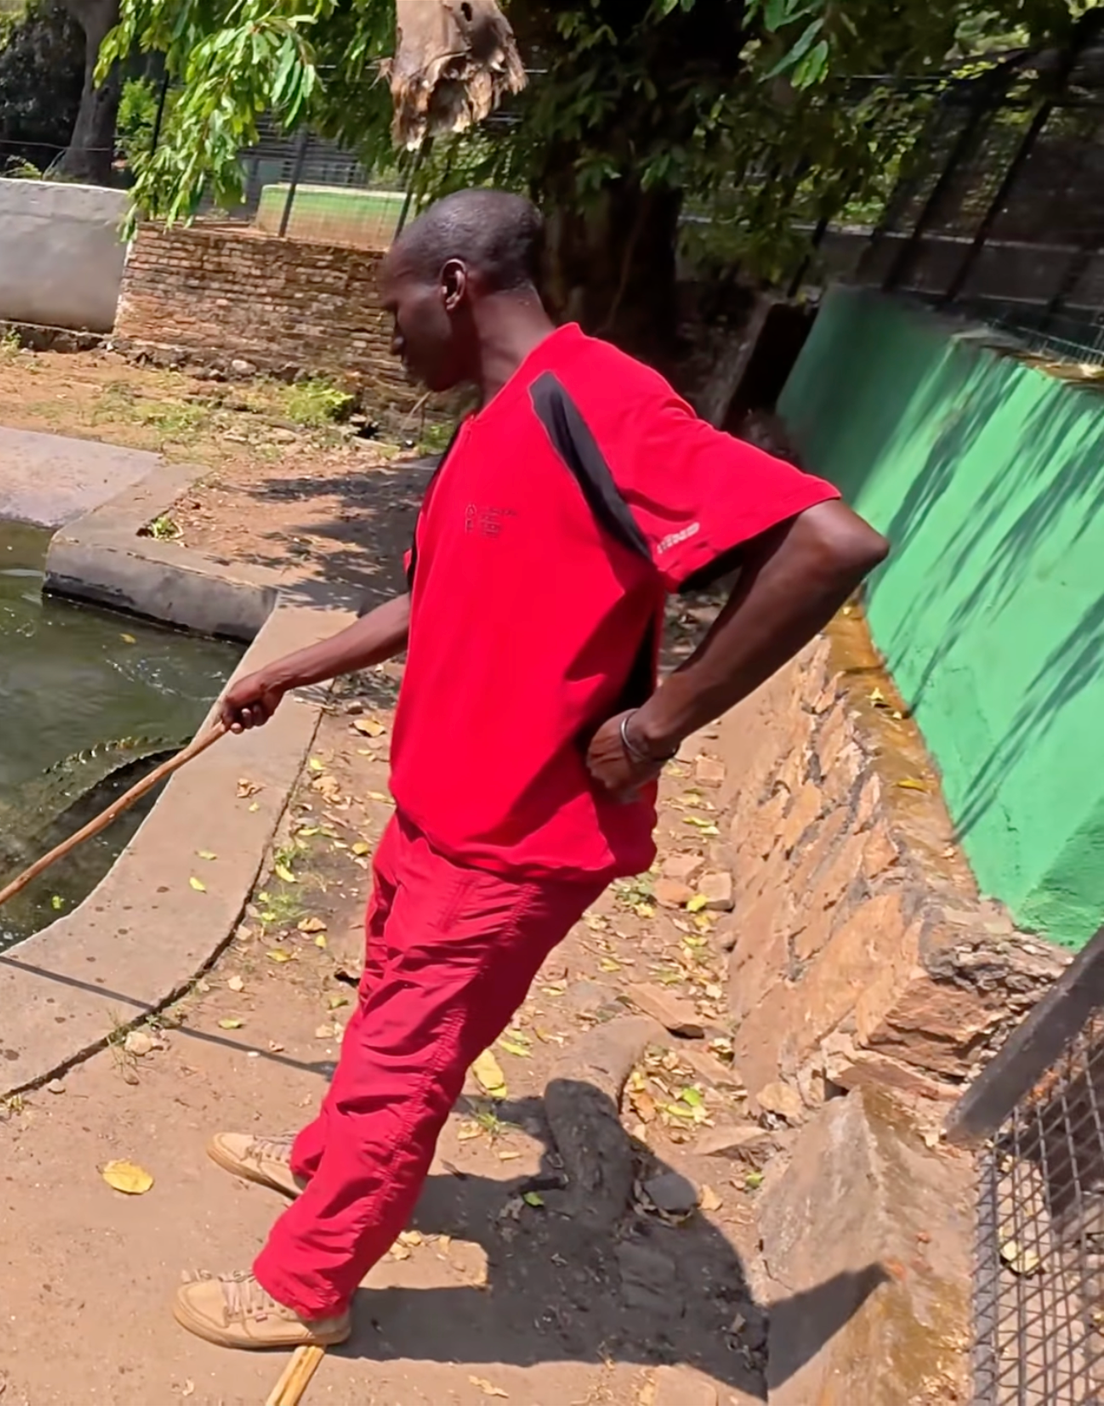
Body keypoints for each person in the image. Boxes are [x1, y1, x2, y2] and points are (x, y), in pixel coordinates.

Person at [170, 188, 890, 1352]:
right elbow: (434, 596)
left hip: (515, 837)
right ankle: (322, 1161)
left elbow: (829, 540)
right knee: (384, 1013)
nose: (389, 333)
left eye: (394, 304)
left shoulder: (593, 398)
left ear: (453, 287)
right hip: (438, 812)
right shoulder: (491, 424)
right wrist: (291, 668)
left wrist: (662, 721)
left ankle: (309, 1284)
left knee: (409, 1055)